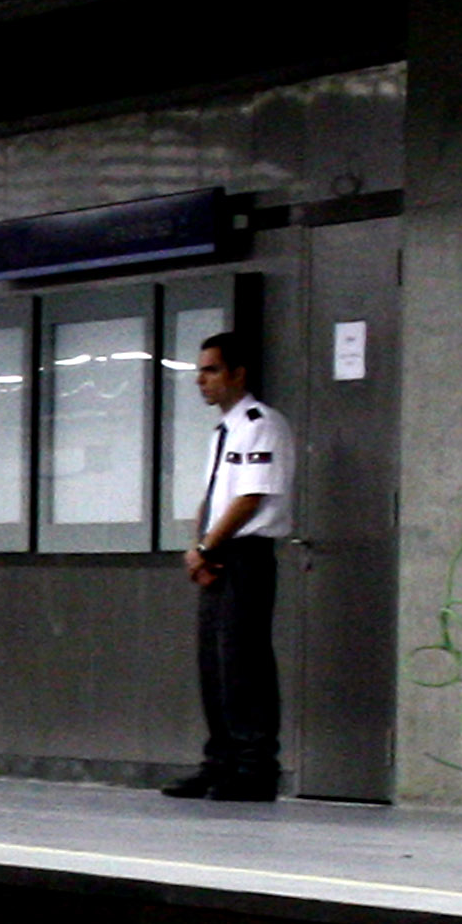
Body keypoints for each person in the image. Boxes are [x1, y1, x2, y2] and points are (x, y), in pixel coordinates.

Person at [166, 333, 291, 802]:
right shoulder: (223, 431)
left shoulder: (262, 424)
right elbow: (213, 497)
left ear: (238, 374)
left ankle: (255, 769)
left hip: (246, 553)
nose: (201, 379)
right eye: (200, 370)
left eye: (212, 370)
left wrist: (208, 546)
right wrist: (198, 548)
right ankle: (220, 761)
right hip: (219, 552)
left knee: (244, 664)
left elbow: (249, 497)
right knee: (213, 665)